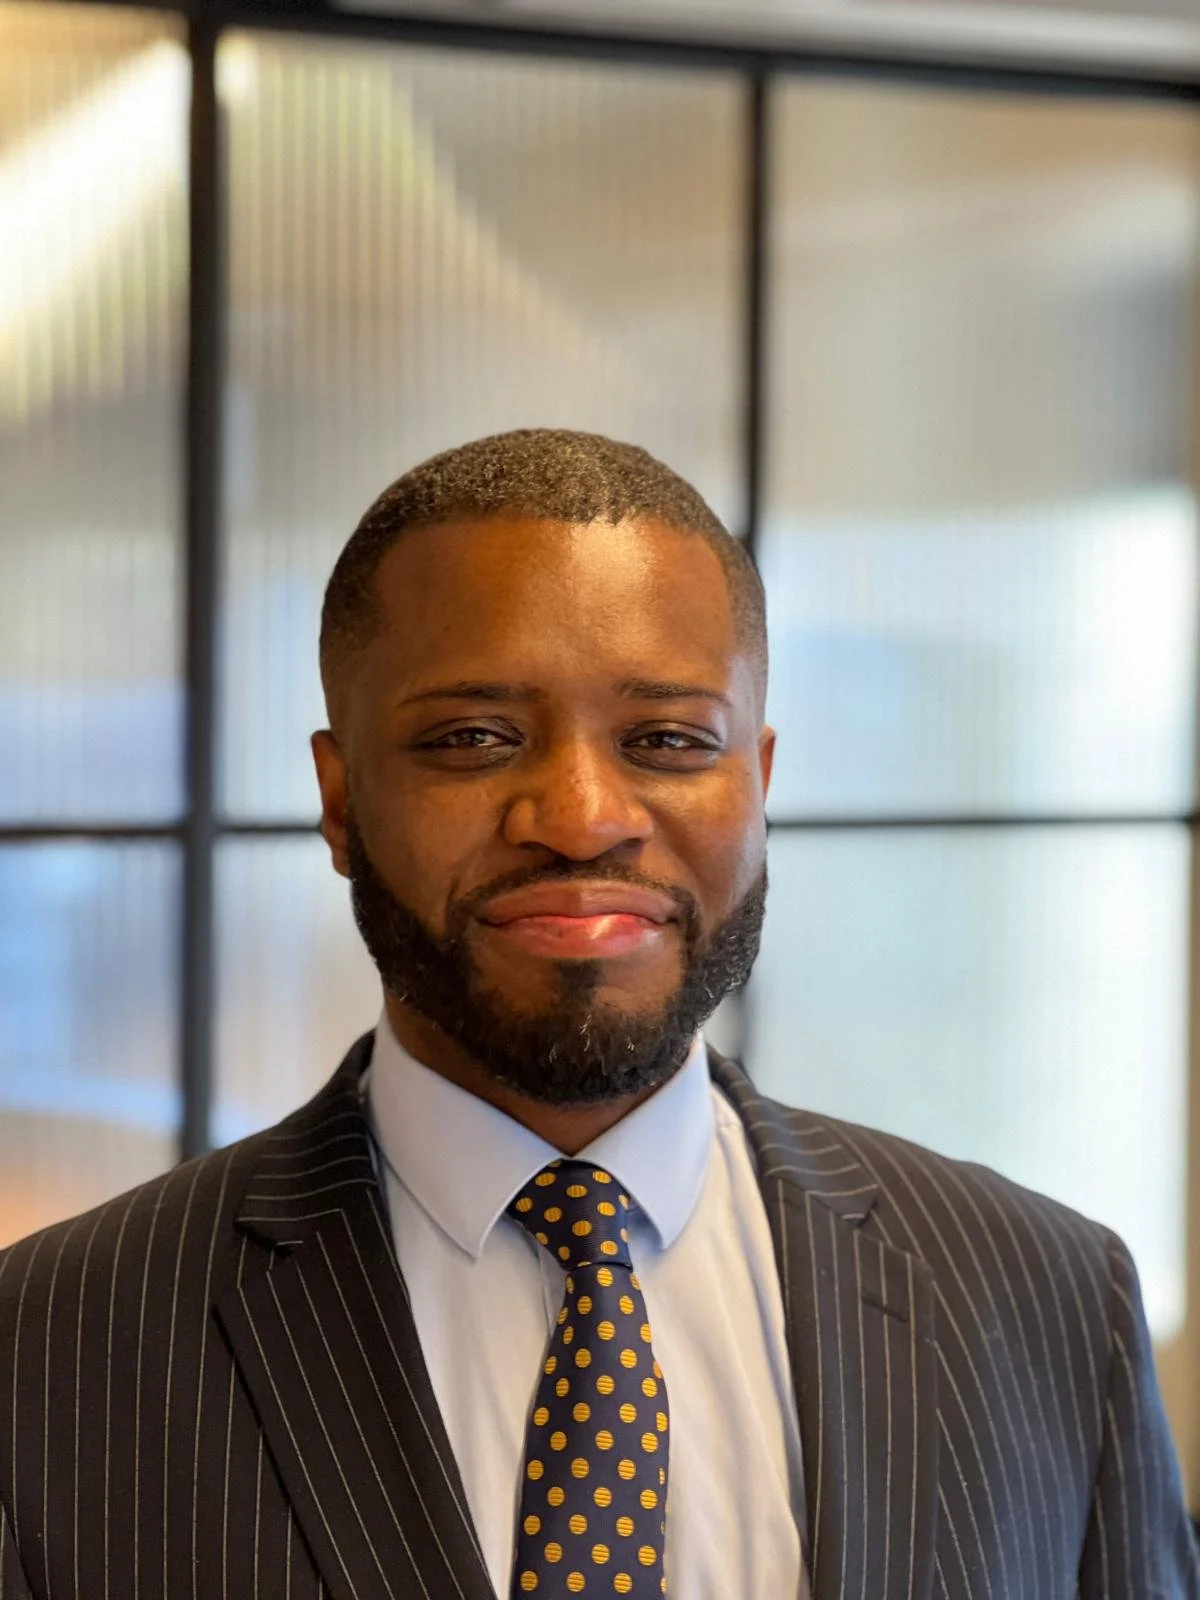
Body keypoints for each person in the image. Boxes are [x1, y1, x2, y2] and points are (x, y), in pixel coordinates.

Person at [0, 429, 1195, 1600]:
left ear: (759, 785)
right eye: (473, 738)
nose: (580, 816)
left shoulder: (1044, 1298)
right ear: (340, 796)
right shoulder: (51, 1345)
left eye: (670, 739)